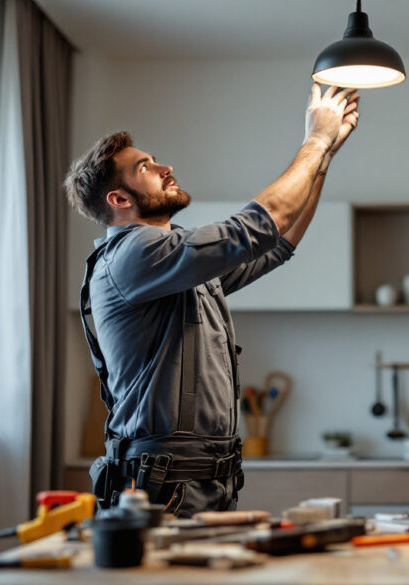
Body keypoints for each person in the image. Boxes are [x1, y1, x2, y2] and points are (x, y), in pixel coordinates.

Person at [64, 85, 360, 516]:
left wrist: (323, 157)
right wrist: (314, 140)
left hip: (204, 481)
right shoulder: (134, 252)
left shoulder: (174, 263)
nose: (165, 167)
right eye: (145, 167)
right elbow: (257, 227)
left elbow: (276, 242)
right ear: (120, 200)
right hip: (164, 488)